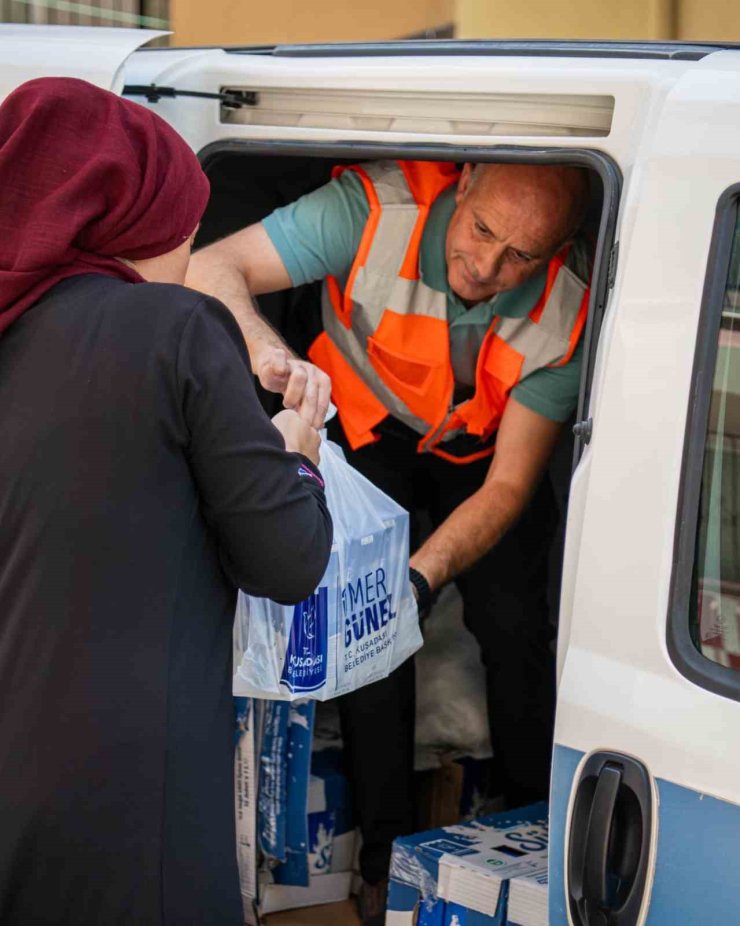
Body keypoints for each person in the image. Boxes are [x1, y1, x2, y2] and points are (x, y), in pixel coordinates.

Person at [187, 157, 591, 924]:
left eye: (522, 255)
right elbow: (212, 265)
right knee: (366, 628)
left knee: (513, 626)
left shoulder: (569, 308)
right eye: (480, 231)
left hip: (482, 447)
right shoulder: (373, 212)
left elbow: (508, 487)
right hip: (370, 422)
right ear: (462, 185)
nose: (487, 265)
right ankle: (383, 856)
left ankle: (533, 838)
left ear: (563, 247)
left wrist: (421, 577)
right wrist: (268, 353)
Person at [0, 77, 332, 926]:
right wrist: (297, 458)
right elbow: (287, 560)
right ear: (131, 222)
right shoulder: (174, 330)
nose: (185, 259)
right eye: (184, 233)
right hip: (122, 800)